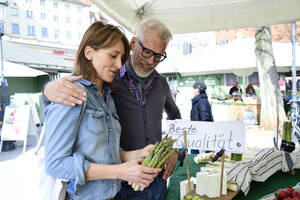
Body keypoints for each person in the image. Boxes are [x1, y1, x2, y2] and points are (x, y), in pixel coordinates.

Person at [43, 19, 181, 200]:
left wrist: (169, 150)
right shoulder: (92, 86)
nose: (151, 61)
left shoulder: (106, 95)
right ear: (134, 44)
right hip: (119, 188)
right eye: (147, 52)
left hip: (148, 182)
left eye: (158, 56)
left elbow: (106, 151)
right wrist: (47, 90)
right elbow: (55, 162)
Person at [190, 82, 214, 154]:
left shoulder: (201, 100)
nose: (194, 91)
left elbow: (204, 116)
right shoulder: (198, 100)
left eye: (195, 89)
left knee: (205, 145)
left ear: (200, 90)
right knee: (195, 145)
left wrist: (202, 129)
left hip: (202, 127)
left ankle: (209, 158)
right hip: (197, 127)